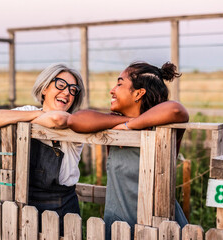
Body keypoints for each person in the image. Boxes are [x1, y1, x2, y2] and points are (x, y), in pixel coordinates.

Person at [67, 62, 189, 239]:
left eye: (119, 83)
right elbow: (75, 120)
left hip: (160, 227)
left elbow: (177, 109)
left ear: (139, 93)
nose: (112, 90)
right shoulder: (113, 123)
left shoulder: (162, 127)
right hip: (119, 228)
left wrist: (130, 125)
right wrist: (123, 122)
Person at [0, 63, 85, 235]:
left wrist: (23, 120)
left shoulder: (73, 121)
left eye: (73, 89)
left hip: (61, 205)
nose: (67, 92)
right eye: (61, 85)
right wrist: (37, 115)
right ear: (45, 88)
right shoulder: (29, 111)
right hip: (25, 200)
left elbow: (57, 120)